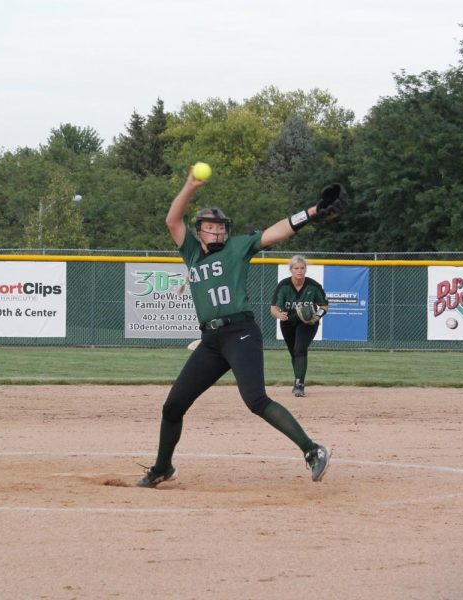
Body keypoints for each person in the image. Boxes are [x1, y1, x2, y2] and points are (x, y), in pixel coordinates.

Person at [136, 169, 347, 488]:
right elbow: (171, 221)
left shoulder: (237, 248)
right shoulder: (192, 253)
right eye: (210, 228)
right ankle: (162, 467)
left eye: (221, 228)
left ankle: (313, 450)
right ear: (200, 231)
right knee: (173, 406)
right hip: (211, 340)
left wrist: (313, 212)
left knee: (255, 399)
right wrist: (190, 186)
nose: (217, 233)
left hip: (240, 333)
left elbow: (276, 231)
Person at [271, 255, 328, 397]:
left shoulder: (313, 286)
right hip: (288, 323)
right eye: (296, 268)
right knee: (293, 352)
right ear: (291, 269)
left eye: (302, 268)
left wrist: (317, 316)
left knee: (300, 349)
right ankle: (297, 379)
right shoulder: (284, 286)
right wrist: (279, 315)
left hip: (307, 323)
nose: (299, 271)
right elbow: (273, 309)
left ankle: (299, 384)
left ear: (306, 269)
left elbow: (324, 306)